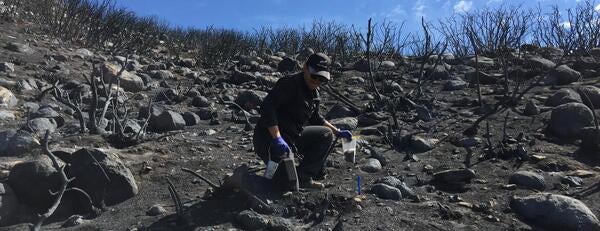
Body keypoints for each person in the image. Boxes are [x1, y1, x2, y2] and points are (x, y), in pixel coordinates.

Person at [253, 52, 352, 189]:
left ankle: (304, 177)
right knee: (288, 185)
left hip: (292, 138)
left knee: (326, 134)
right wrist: (277, 138)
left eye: (322, 79)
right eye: (314, 76)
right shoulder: (289, 83)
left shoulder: (314, 94)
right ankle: (251, 180)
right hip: (269, 139)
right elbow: (267, 107)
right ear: (305, 68)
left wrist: (337, 131)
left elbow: (315, 118)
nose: (317, 81)